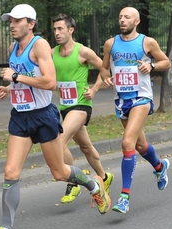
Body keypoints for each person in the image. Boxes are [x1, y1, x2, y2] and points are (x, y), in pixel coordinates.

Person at [0, 4, 111, 229]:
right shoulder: (13, 48)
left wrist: (15, 78)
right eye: (10, 21)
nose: (12, 25)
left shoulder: (39, 46)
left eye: (17, 21)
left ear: (31, 24)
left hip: (42, 116)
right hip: (20, 116)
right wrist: (9, 88)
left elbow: (50, 83)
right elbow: (23, 80)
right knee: (10, 172)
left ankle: (94, 185)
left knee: (60, 172)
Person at [100, 7, 171, 213]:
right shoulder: (110, 44)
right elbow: (104, 67)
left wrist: (152, 67)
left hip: (142, 97)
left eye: (127, 17)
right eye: (120, 16)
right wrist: (106, 77)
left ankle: (124, 197)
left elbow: (166, 62)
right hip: (122, 100)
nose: (122, 20)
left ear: (137, 21)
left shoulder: (147, 42)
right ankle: (159, 167)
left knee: (126, 142)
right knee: (140, 145)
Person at [51, 13, 114, 204]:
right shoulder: (52, 53)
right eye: (54, 29)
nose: (57, 32)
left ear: (71, 30)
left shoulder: (83, 51)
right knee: (85, 146)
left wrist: (94, 89)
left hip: (81, 105)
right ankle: (104, 177)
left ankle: (74, 181)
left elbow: (104, 69)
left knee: (59, 141)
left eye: (60, 28)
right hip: (65, 106)